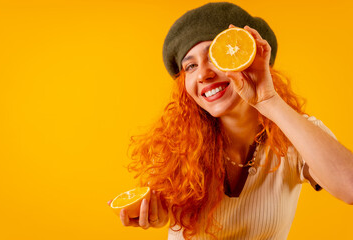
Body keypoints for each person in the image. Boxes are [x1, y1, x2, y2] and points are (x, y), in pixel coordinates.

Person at [117, 2, 353, 239]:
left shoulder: (294, 135)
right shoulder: (177, 143)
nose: (203, 74)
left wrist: (269, 100)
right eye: (190, 66)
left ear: (247, 59)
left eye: (215, 56)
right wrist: (157, 216)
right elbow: (163, 210)